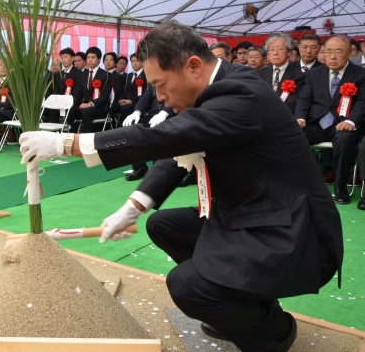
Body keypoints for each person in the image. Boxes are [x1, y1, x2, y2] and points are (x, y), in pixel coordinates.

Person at [18, 21, 343, 352]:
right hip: (251, 214)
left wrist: (66, 143)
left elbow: (162, 138)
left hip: (294, 234)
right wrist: (131, 209)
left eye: (160, 85)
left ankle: (274, 333)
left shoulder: (240, 94)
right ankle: (249, 305)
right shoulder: (214, 92)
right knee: (164, 225)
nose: (159, 97)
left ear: (193, 67)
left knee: (188, 287)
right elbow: (177, 153)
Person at [294, 35, 365, 204]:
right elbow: (304, 99)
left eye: (338, 51)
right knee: (293, 136)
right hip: (316, 123)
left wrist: (350, 122)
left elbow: (362, 102)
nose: (332, 56)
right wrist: (300, 118)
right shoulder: (314, 73)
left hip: (343, 124)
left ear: (349, 53)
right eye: (328, 52)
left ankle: (340, 189)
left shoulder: (360, 74)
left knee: (344, 139)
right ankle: (300, 185)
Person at [65, 46, 113, 133]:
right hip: (86, 106)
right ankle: (73, 136)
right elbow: (79, 94)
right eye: (88, 57)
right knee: (71, 111)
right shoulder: (83, 75)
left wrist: (90, 104)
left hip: (101, 108)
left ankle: (88, 139)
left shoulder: (106, 75)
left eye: (93, 57)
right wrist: (72, 103)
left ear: (99, 59)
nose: (90, 60)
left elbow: (105, 96)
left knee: (86, 112)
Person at [256, 33, 305, 113]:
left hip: (285, 117)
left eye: (280, 49)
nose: (275, 53)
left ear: (289, 52)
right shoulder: (259, 74)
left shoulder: (299, 76)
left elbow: (293, 102)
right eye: (271, 49)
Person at [45, 47, 82, 123]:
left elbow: (78, 92)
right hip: (59, 103)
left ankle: (70, 132)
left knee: (71, 112)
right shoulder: (59, 74)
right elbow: (56, 90)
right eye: (62, 57)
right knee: (51, 109)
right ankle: (55, 132)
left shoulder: (79, 74)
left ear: (72, 58)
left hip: (72, 104)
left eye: (66, 57)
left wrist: (70, 102)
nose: (63, 60)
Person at [111, 53, 149, 124]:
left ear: (142, 62)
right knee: (112, 107)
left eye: (137, 61)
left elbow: (146, 93)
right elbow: (123, 90)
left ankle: (127, 129)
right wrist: (120, 100)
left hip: (138, 102)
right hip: (126, 101)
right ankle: (113, 128)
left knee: (126, 108)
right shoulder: (129, 76)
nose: (134, 63)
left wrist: (131, 101)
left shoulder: (146, 75)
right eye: (132, 61)